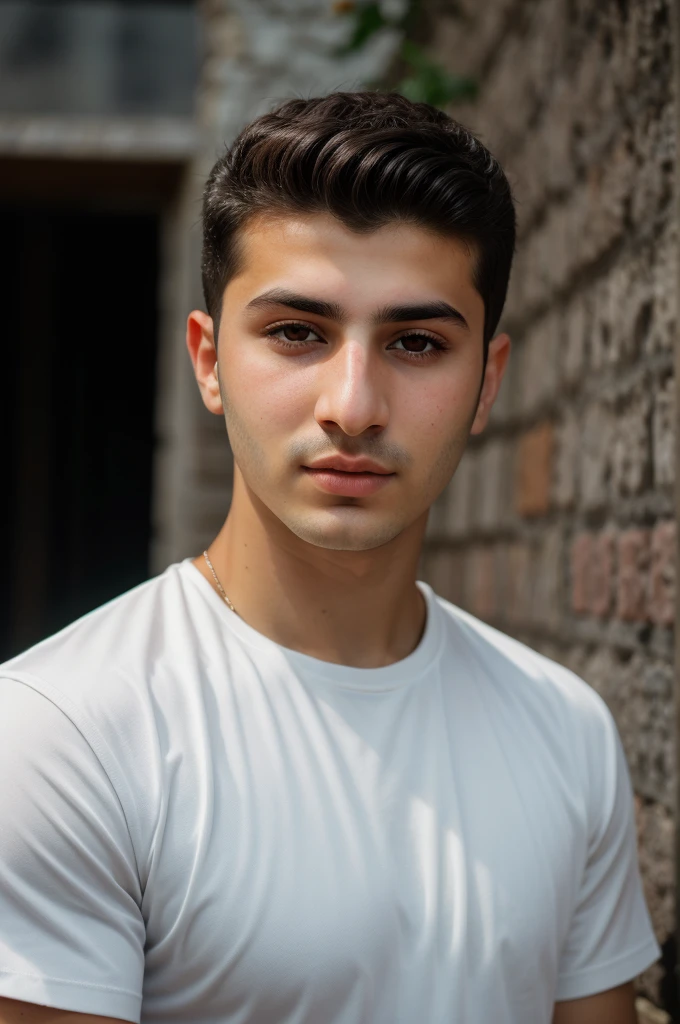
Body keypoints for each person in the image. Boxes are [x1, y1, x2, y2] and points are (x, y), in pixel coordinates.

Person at [0, 92, 659, 1024]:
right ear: (208, 360)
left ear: (487, 382)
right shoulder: (60, 734)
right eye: (297, 333)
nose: (354, 404)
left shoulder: (566, 730)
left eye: (418, 343)